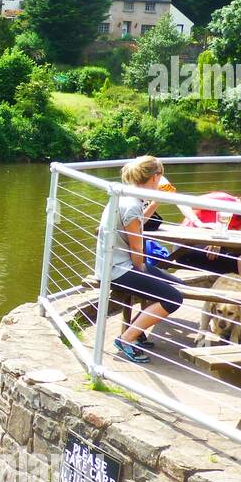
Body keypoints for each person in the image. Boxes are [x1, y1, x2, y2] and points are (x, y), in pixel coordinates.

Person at [100, 155, 186, 363]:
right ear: (156, 178)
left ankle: (137, 332)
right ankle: (126, 339)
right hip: (118, 269)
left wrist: (157, 201)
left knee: (177, 285)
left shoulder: (126, 196)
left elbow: (137, 223)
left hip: (118, 263)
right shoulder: (131, 204)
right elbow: (137, 247)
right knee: (173, 298)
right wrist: (142, 270)